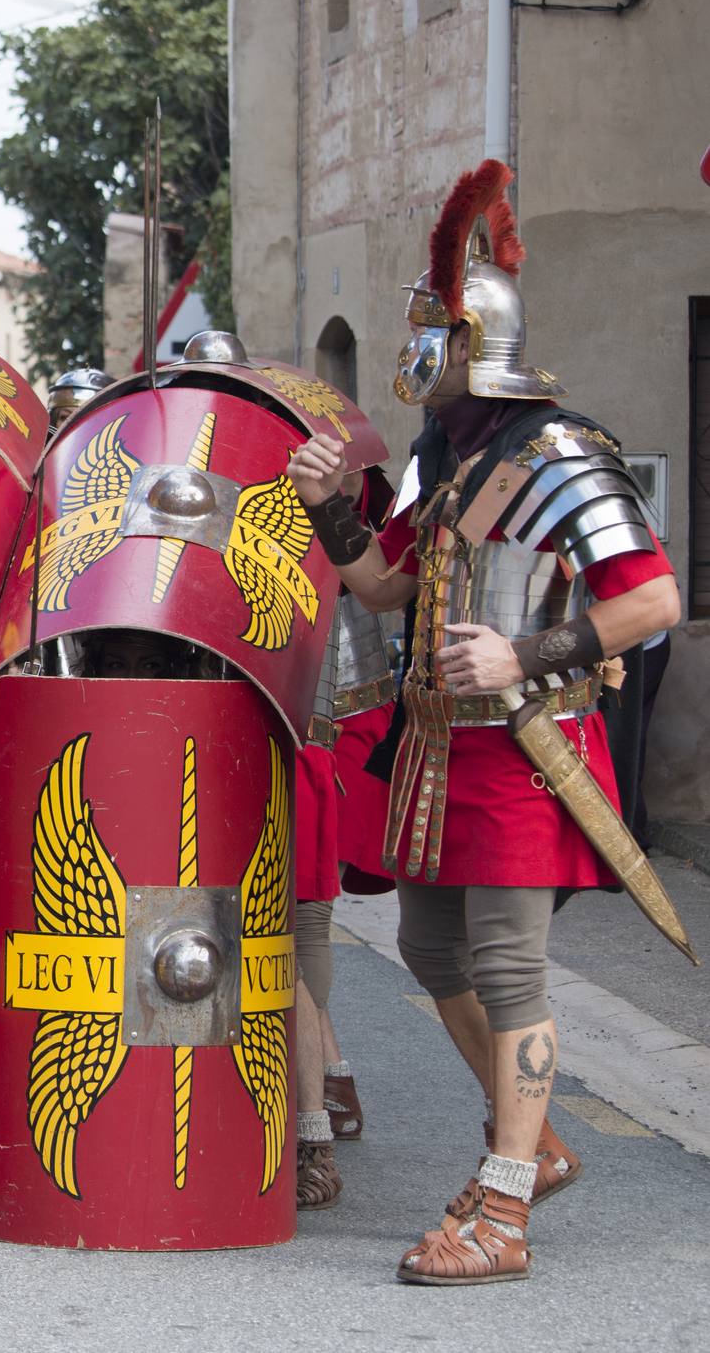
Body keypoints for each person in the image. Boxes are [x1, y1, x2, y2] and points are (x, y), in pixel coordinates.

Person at [287, 159, 680, 1285]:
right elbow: (385, 590)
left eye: (433, 332)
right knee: (427, 946)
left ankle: (503, 1210)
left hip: (523, 742)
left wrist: (526, 648)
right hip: (432, 746)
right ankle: (538, 1143)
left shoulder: (559, 453)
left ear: (472, 346)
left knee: (511, 968)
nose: (420, 353)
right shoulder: (442, 459)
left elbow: (652, 601)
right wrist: (326, 507)